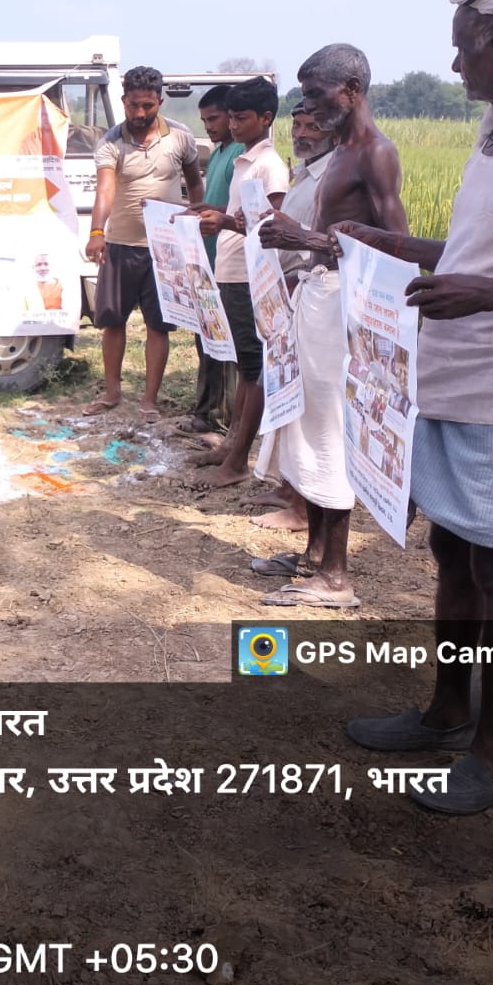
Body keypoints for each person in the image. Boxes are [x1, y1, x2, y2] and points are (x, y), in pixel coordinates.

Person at [340, 0, 493, 813]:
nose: (455, 62)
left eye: (464, 47)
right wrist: (398, 248)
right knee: (452, 550)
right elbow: (482, 252)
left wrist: (489, 295)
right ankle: (444, 712)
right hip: (452, 370)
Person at [249, 47, 407, 608]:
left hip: (344, 304)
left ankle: (336, 576)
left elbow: (396, 247)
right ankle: (315, 554)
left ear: (351, 89)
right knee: (308, 424)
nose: (308, 105)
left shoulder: (375, 153)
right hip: (317, 297)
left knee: (332, 430)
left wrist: (307, 240)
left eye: (316, 94)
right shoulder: (340, 152)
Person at [184, 78, 287, 487]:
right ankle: (231, 447)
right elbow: (241, 215)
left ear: (265, 118)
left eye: (241, 118)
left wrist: (225, 221)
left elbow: (270, 227)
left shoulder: (268, 165)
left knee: (253, 369)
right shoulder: (243, 159)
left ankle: (238, 460)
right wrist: (211, 211)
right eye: (232, 117)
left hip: (248, 275)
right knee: (245, 366)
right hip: (229, 269)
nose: (233, 125)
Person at [84, 66, 202, 419]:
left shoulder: (180, 137)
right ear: (123, 101)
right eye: (133, 105)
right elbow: (105, 189)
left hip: (165, 249)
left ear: (159, 102)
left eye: (147, 106)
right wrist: (96, 231)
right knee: (112, 321)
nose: (139, 113)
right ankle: (111, 392)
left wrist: (195, 220)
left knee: (158, 325)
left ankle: (149, 400)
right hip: (121, 245)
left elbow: (195, 182)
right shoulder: (110, 142)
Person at [250, 104, 339, 530]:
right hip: (289, 290)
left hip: (316, 294)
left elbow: (332, 243)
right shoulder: (304, 172)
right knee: (286, 392)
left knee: (312, 409)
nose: (301, 133)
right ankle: (292, 492)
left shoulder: (335, 175)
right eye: (297, 124)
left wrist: (295, 237)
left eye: (313, 125)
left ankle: (304, 509)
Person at [178, 85, 241, 438]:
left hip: (230, 263)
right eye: (204, 121)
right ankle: (205, 409)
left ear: (232, 116)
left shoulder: (241, 155)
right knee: (206, 339)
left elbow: (242, 212)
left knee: (225, 345)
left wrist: (213, 212)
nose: (209, 126)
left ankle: (223, 417)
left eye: (214, 118)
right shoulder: (217, 154)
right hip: (208, 259)